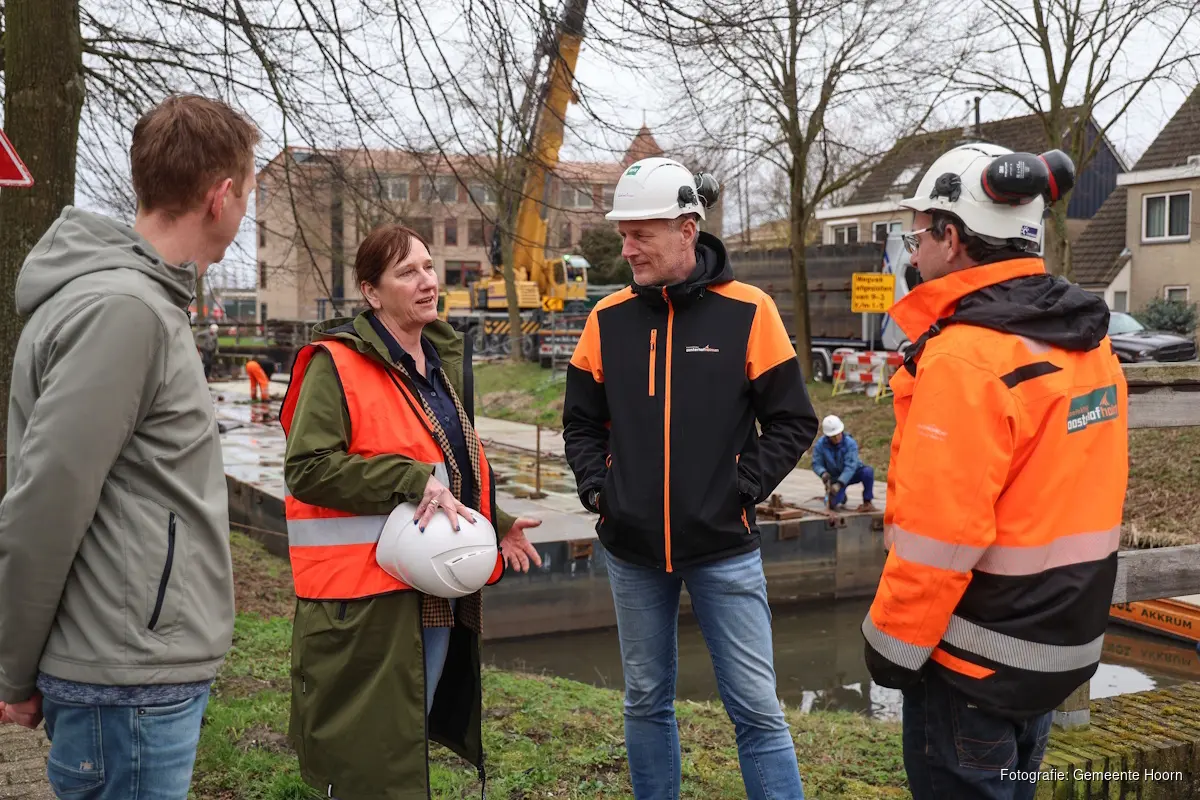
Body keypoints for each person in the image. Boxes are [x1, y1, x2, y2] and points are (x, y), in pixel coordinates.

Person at [0, 94, 256, 797]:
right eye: (246, 195)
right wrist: (14, 670)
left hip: (131, 667)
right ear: (220, 196)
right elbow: (47, 501)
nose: (242, 214)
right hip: (128, 679)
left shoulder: (135, 302)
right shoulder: (126, 311)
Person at [861, 143, 1128, 800]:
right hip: (1052, 651)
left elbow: (939, 535)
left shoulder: (965, 359)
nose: (912, 255)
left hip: (971, 666)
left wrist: (890, 649)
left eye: (916, 237)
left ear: (951, 239)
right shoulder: (1088, 342)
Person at [563, 156, 818, 800]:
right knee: (645, 699)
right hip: (631, 550)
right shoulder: (607, 318)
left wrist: (741, 488)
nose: (627, 249)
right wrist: (600, 491)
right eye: (623, 234)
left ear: (686, 229)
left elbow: (793, 421)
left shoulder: (750, 311)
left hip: (723, 548)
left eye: (640, 234)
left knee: (756, 709)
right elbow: (581, 423)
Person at [280, 223, 544, 799]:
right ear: (371, 292)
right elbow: (308, 469)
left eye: (429, 267)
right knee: (366, 758)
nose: (428, 281)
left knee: (401, 743)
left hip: (427, 588)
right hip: (363, 600)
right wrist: (406, 479)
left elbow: (446, 462)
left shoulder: (436, 363)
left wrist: (495, 522)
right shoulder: (336, 363)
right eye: (407, 272)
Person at [811, 414, 875, 512]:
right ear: (828, 436)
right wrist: (822, 473)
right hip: (835, 477)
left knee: (867, 472)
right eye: (833, 436)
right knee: (832, 504)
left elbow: (850, 466)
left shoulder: (850, 443)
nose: (837, 438)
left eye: (838, 434)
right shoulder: (820, 445)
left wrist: (840, 484)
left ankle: (867, 501)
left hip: (852, 474)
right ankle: (841, 496)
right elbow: (816, 463)